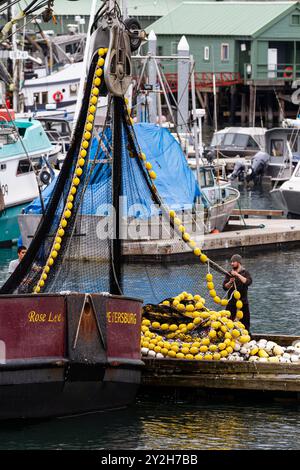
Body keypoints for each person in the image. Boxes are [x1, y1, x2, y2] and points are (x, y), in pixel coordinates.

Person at [223, 254, 252, 331]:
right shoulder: (229, 274)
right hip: (231, 302)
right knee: (227, 322)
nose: (231, 263)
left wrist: (238, 275)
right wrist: (230, 282)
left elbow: (248, 282)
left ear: (238, 262)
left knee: (245, 323)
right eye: (231, 262)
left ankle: (247, 337)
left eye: (233, 262)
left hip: (243, 302)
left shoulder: (245, 272)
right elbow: (224, 287)